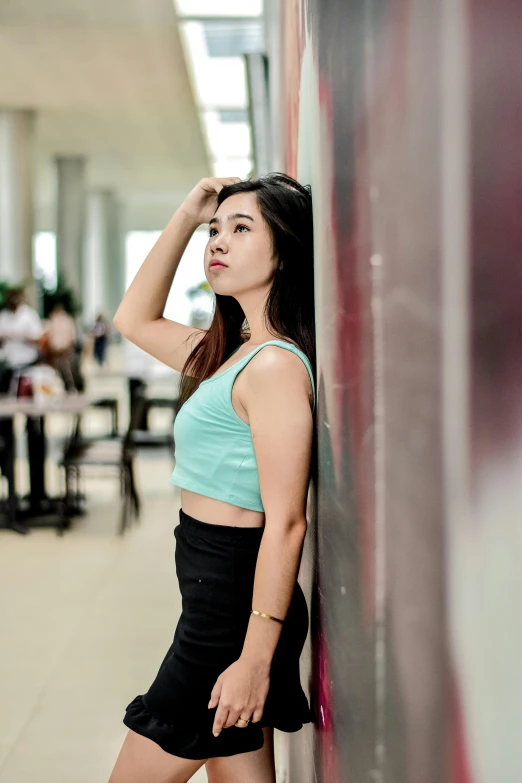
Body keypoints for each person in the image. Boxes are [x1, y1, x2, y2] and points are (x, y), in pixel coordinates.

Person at [110, 174, 316, 783]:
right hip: (217, 602)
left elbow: (286, 521)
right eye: (214, 231)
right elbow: (134, 317)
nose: (217, 242)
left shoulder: (273, 367)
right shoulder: (233, 354)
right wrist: (185, 215)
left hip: (233, 615)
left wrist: (256, 658)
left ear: (287, 249)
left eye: (241, 228)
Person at [0, 287, 42, 393]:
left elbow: (38, 338)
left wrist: (22, 335)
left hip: (27, 361)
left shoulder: (30, 315)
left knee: (25, 395)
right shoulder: (3, 316)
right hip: (9, 362)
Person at [46, 302, 83, 393]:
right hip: (56, 352)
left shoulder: (67, 320)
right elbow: (49, 336)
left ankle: (77, 388)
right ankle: (68, 388)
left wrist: (67, 348)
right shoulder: (52, 320)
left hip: (67, 351)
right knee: (62, 372)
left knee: (71, 371)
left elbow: (72, 337)